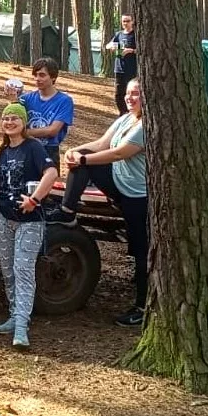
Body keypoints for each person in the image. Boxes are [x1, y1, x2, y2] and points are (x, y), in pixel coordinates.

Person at [49, 79, 148, 326]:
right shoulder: (125, 119)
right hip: (118, 182)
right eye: (128, 93)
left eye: (136, 94)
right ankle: (67, 211)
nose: (130, 98)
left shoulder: (146, 124)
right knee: (84, 159)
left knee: (142, 250)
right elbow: (101, 144)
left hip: (138, 196)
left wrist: (83, 160)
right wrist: (75, 151)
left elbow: (120, 153)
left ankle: (142, 307)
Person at [0, 102, 59, 350]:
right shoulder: (3, 152)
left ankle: (21, 327)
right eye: (6, 118)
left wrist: (34, 199)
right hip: (3, 218)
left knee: (23, 269)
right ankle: (13, 315)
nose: (9, 122)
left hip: (29, 220)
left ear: (24, 122)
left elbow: (51, 173)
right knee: (8, 270)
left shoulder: (33, 147)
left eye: (15, 118)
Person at [8, 57, 75, 168]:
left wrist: (23, 132)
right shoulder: (26, 99)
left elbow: (52, 130)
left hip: (49, 150)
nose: (37, 79)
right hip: (25, 148)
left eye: (42, 75)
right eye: (35, 75)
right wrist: (12, 101)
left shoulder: (64, 101)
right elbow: (12, 122)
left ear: (53, 77)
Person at [105, 15, 138, 115]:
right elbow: (107, 45)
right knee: (119, 93)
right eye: (124, 21)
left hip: (131, 69)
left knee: (130, 91)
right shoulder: (119, 34)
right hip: (119, 68)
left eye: (128, 21)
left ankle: (131, 112)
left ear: (132, 21)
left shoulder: (135, 35)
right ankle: (122, 113)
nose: (125, 23)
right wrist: (113, 46)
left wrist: (131, 50)